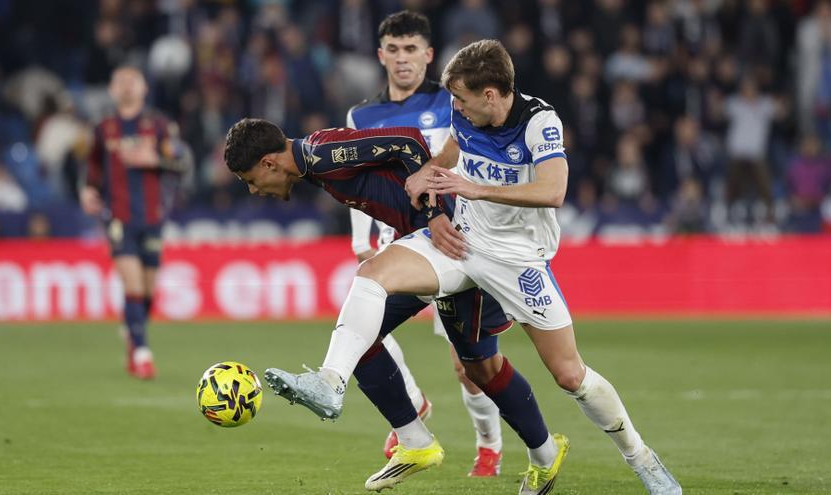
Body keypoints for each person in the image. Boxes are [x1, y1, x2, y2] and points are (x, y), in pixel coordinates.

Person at [265, 40, 682, 495]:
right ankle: (331, 383)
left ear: (490, 95)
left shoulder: (539, 122)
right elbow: (450, 149)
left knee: (569, 375)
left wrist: (477, 188)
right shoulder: (466, 115)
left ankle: (642, 459)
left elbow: (554, 190)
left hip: (518, 259)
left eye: (461, 99)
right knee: (371, 278)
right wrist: (430, 170)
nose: (455, 107)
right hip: (460, 240)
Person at [223, 119, 566, 493]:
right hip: (426, 247)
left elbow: (407, 140)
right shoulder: (314, 164)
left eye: (250, 179)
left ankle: (547, 456)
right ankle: (414, 441)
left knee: (481, 368)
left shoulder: (321, 155)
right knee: (361, 335)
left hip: (457, 241)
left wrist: (434, 215)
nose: (254, 190)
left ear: (270, 163)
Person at [346, 10, 503, 475]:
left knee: (469, 365)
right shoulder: (362, 115)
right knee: (361, 323)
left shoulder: (456, 101)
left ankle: (488, 444)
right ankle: (413, 405)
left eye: (411, 49)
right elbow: (356, 180)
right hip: (399, 242)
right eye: (393, 49)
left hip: (457, 239)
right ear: (380, 55)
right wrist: (362, 241)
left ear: (428, 55)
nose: (402, 59)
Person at [80, 66, 188, 380]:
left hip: (153, 217)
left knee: (148, 292)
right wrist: (88, 191)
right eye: (120, 82)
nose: (126, 87)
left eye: (132, 81)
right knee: (133, 284)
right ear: (112, 90)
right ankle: (142, 353)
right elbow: (93, 167)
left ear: (144, 88)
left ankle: (132, 332)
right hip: (118, 217)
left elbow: (180, 161)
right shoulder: (104, 128)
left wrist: (154, 160)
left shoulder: (159, 126)